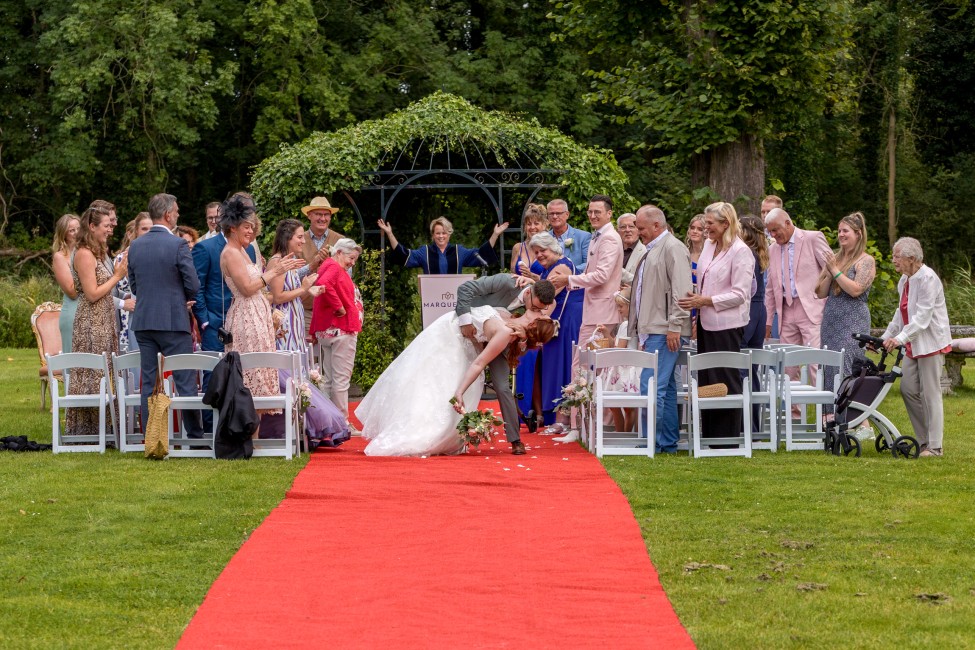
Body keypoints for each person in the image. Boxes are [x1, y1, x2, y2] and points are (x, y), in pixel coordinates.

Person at [358, 303, 556, 457]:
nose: (540, 311)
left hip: (456, 338)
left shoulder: (506, 333)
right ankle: (413, 424)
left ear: (532, 325)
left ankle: (428, 427)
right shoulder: (510, 316)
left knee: (438, 385)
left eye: (541, 315)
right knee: (427, 380)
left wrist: (459, 392)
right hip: (450, 331)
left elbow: (479, 363)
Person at [220, 198, 304, 436]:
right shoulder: (231, 253)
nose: (251, 231)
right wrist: (274, 272)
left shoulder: (243, 251)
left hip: (256, 314)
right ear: (232, 228)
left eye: (252, 226)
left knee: (260, 370)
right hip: (246, 317)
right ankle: (248, 437)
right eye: (246, 226)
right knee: (250, 373)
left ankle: (254, 437)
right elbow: (247, 288)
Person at [264, 219, 349, 448]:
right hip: (283, 327)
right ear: (287, 238)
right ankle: (291, 429)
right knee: (287, 377)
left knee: (297, 376)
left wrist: (308, 289)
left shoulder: (290, 261)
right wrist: (304, 289)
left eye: (303, 236)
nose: (303, 240)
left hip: (294, 322)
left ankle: (303, 429)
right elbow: (279, 297)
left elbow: (294, 294)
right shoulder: (276, 262)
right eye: (299, 237)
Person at [548, 194, 624, 442]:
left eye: (597, 212)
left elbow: (601, 276)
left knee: (590, 367)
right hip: (592, 309)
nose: (592, 215)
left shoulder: (610, 239)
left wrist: (569, 280)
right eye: (590, 212)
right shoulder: (597, 237)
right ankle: (581, 425)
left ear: (609, 214)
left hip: (602, 311)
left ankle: (585, 427)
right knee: (584, 367)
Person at [127, 194, 203, 437]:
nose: (178, 215)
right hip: (172, 320)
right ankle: (194, 436)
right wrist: (183, 296)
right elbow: (192, 283)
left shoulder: (136, 245)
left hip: (144, 320)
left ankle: (151, 436)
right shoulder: (178, 244)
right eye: (177, 211)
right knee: (185, 379)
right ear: (168, 215)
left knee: (148, 382)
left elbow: (134, 285)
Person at [452, 275, 556, 454]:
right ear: (529, 292)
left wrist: (523, 342)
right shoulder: (508, 282)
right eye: (535, 308)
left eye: (541, 310)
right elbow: (465, 289)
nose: (539, 311)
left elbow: (531, 336)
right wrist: (466, 321)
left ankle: (515, 439)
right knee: (456, 373)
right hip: (472, 327)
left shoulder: (537, 312)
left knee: (502, 386)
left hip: (501, 338)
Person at [678, 202, 754, 441]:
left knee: (726, 378)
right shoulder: (710, 246)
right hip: (705, 321)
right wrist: (697, 307)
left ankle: (728, 437)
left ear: (725, 224)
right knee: (707, 377)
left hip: (728, 325)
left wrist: (706, 301)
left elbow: (741, 294)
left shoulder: (741, 251)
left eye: (710, 223)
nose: (705, 227)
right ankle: (709, 434)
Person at [629, 206, 693, 453]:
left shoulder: (673, 248)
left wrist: (675, 326)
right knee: (664, 388)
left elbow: (682, 291)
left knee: (652, 385)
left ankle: (651, 442)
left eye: (641, 228)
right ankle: (666, 443)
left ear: (657, 226)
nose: (638, 232)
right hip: (654, 328)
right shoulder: (652, 250)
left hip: (665, 329)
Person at [880, 237, 951, 457]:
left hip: (930, 342)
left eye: (897, 256)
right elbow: (900, 314)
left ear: (911, 258)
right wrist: (885, 337)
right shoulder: (905, 280)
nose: (893, 261)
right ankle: (923, 442)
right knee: (908, 389)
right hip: (912, 342)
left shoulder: (928, 278)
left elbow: (922, 318)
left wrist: (899, 339)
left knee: (930, 394)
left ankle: (935, 446)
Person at [65, 204, 129, 438]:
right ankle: (87, 431)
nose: (110, 229)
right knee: (92, 375)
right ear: (91, 227)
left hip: (105, 320)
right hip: (91, 323)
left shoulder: (98, 253)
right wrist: (117, 277)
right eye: (105, 226)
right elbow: (91, 294)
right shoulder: (83, 254)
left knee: (105, 373)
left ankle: (107, 430)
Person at [519, 233, 583, 433]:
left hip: (565, 321)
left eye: (542, 251)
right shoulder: (553, 267)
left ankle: (562, 419)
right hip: (559, 320)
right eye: (536, 252)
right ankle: (558, 417)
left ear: (554, 249)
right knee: (554, 366)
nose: (539, 255)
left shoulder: (561, 267)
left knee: (561, 366)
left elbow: (543, 297)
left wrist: (523, 293)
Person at [764, 208, 831, 397]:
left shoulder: (812, 238)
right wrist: (768, 320)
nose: (773, 235)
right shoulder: (772, 249)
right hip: (785, 310)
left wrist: (826, 302)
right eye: (770, 232)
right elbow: (770, 287)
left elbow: (832, 269)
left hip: (811, 308)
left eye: (776, 230)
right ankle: (793, 417)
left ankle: (825, 414)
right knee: (788, 366)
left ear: (788, 223)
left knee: (815, 363)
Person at [816, 212, 876, 402]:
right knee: (828, 367)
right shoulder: (835, 258)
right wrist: (829, 271)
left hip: (853, 323)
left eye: (846, 231)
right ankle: (829, 419)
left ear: (858, 234)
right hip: (831, 322)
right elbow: (819, 292)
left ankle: (852, 418)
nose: (841, 234)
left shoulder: (866, 261)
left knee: (846, 367)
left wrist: (834, 270)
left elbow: (856, 290)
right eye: (839, 231)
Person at [310, 238, 364, 432]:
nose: (352, 263)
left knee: (330, 379)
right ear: (339, 252)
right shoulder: (334, 267)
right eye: (351, 258)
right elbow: (324, 285)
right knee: (341, 379)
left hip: (329, 330)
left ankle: (330, 421)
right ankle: (342, 423)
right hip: (341, 329)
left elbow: (320, 288)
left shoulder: (327, 265)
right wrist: (339, 307)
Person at [377, 215, 507, 274]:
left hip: (454, 298)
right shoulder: (425, 252)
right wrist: (389, 233)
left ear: (449, 234)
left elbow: (481, 254)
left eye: (444, 233)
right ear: (433, 235)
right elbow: (403, 254)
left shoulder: (458, 251)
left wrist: (495, 234)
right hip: (432, 300)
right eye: (438, 233)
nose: (441, 236)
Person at [299, 197, 344, 334]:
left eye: (326, 215)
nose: (323, 218)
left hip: (332, 311)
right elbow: (291, 275)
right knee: (308, 353)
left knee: (329, 354)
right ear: (309, 215)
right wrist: (312, 265)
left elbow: (346, 277)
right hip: (305, 310)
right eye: (318, 214)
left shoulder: (340, 241)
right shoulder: (298, 239)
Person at [114, 213, 152, 353]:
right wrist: (124, 301)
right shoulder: (123, 258)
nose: (148, 233)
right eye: (144, 229)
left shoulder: (161, 254)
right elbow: (114, 289)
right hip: (130, 314)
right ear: (136, 231)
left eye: (151, 228)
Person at [51, 214, 81, 354]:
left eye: (79, 228)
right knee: (74, 361)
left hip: (91, 310)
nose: (76, 233)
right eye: (71, 230)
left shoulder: (88, 251)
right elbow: (72, 291)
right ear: (64, 234)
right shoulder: (60, 257)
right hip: (73, 312)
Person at [547, 198, 591, 272]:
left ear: (567, 214)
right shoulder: (545, 238)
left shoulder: (583, 237)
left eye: (558, 213)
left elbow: (588, 264)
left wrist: (567, 271)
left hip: (574, 281)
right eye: (551, 213)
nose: (554, 216)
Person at [510, 203, 548, 276]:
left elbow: (552, 280)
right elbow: (512, 275)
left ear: (544, 225)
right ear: (525, 227)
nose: (532, 227)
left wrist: (531, 276)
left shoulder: (550, 248)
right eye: (529, 224)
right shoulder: (517, 248)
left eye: (536, 223)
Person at [617, 213, 646, 285]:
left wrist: (615, 269)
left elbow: (642, 281)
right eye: (623, 227)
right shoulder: (612, 250)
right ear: (618, 231)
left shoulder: (645, 252)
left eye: (631, 226)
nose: (627, 230)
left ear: (638, 230)